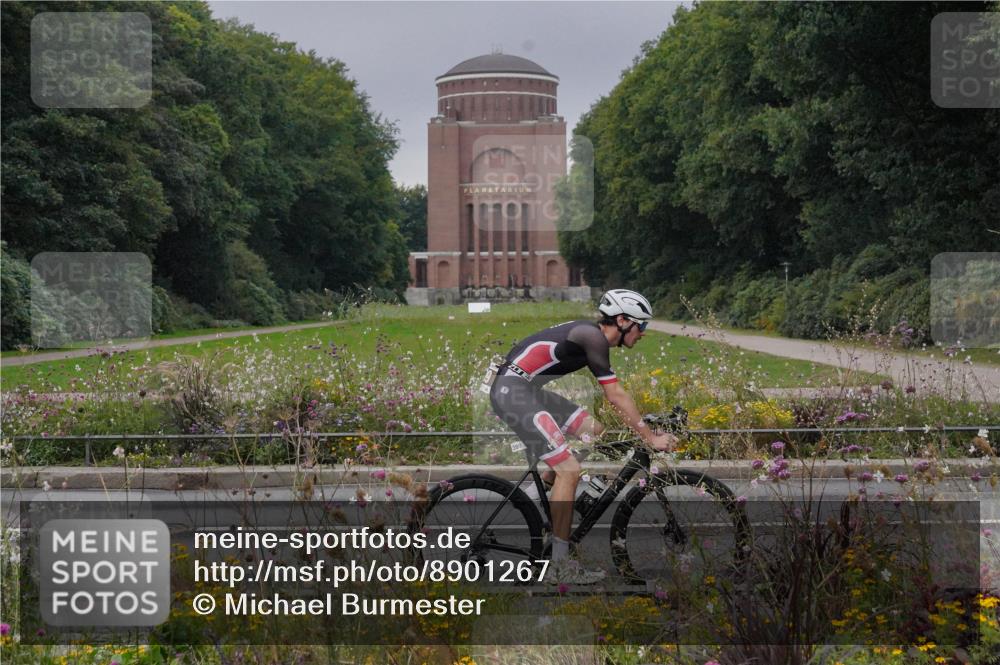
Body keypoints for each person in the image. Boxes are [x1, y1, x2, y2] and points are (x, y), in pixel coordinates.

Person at [489, 289, 679, 584]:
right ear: (623, 320)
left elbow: (614, 398)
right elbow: (614, 394)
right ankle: (560, 566)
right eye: (642, 326)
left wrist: (639, 430)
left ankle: (545, 486)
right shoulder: (593, 337)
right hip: (513, 393)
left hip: (525, 391)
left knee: (597, 433)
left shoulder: (592, 336)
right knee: (571, 470)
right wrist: (649, 437)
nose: (643, 333)